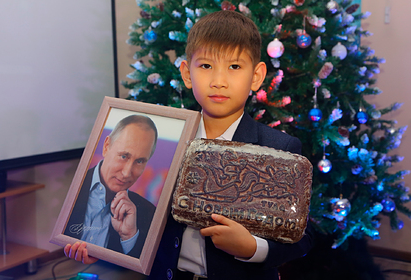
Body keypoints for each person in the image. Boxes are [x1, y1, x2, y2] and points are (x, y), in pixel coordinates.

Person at [65, 10, 314, 280]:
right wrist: (101, 249)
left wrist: (253, 247)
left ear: (256, 76)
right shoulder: (168, 144)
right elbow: (144, 229)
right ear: (186, 73)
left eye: (234, 67)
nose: (219, 80)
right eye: (206, 66)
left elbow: (302, 237)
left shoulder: (280, 148)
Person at [64, 114, 158, 259]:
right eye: (124, 156)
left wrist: (128, 236)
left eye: (139, 161)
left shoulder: (149, 212)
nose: (127, 173)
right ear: (107, 146)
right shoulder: (68, 187)